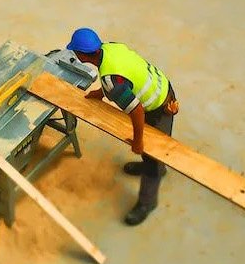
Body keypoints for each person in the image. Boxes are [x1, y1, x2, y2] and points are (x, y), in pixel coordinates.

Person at [66, 27, 178, 226]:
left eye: (75, 51)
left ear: (83, 55)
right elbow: (121, 75)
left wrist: (138, 141)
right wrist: (101, 93)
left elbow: (136, 111)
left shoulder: (112, 83)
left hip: (159, 107)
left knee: (152, 157)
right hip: (163, 87)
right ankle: (153, 166)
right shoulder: (110, 48)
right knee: (151, 155)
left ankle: (147, 202)